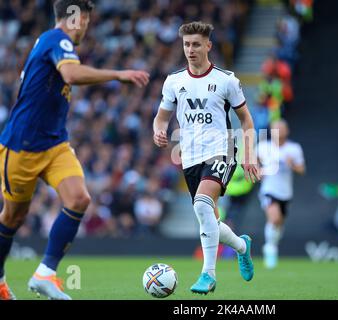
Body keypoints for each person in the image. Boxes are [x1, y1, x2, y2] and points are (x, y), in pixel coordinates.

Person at [0, 0, 149, 300]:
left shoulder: (53, 43)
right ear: (75, 18)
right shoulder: (57, 39)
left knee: (80, 198)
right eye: (86, 20)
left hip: (55, 144)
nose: (86, 27)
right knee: (13, 217)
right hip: (22, 146)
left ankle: (45, 274)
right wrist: (118, 74)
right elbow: (71, 75)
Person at [153, 21, 260, 295]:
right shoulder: (174, 82)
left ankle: (208, 275)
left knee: (202, 205)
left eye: (196, 44)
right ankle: (242, 246)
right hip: (189, 158)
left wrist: (248, 154)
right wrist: (158, 130)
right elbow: (161, 117)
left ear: (208, 45)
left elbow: (246, 119)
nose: (190, 49)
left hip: (222, 150)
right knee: (208, 218)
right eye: (187, 44)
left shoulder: (226, 80)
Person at [257, 119, 305, 269]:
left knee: (279, 223)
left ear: (287, 131)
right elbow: (253, 163)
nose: (279, 131)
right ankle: (270, 248)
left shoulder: (294, 148)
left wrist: (292, 165)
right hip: (269, 189)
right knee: (274, 218)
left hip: (286, 192)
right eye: (276, 128)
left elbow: (302, 170)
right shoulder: (263, 147)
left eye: (282, 128)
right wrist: (258, 171)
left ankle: (272, 244)